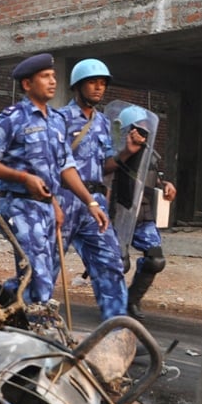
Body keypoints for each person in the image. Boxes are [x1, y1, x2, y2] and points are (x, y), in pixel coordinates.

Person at [0, 53, 107, 305]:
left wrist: (89, 203)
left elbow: (66, 167)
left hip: (46, 208)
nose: (52, 81)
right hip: (19, 206)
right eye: (45, 76)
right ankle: (39, 332)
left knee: (35, 276)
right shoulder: (13, 118)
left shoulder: (57, 121)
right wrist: (24, 178)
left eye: (54, 76)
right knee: (39, 277)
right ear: (27, 84)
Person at [54, 58, 128, 320]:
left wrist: (126, 153)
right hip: (64, 198)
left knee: (111, 263)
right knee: (45, 267)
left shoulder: (104, 123)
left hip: (94, 203)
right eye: (93, 83)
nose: (99, 88)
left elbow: (106, 166)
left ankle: (117, 327)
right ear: (77, 86)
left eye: (102, 84)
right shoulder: (59, 119)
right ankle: (20, 316)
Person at [107, 105, 177, 321]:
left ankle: (131, 301)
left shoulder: (150, 155)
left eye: (146, 129)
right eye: (138, 128)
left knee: (155, 260)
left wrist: (166, 185)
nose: (142, 133)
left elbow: (152, 178)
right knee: (119, 262)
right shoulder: (115, 152)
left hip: (143, 214)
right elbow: (104, 175)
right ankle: (114, 306)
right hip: (118, 213)